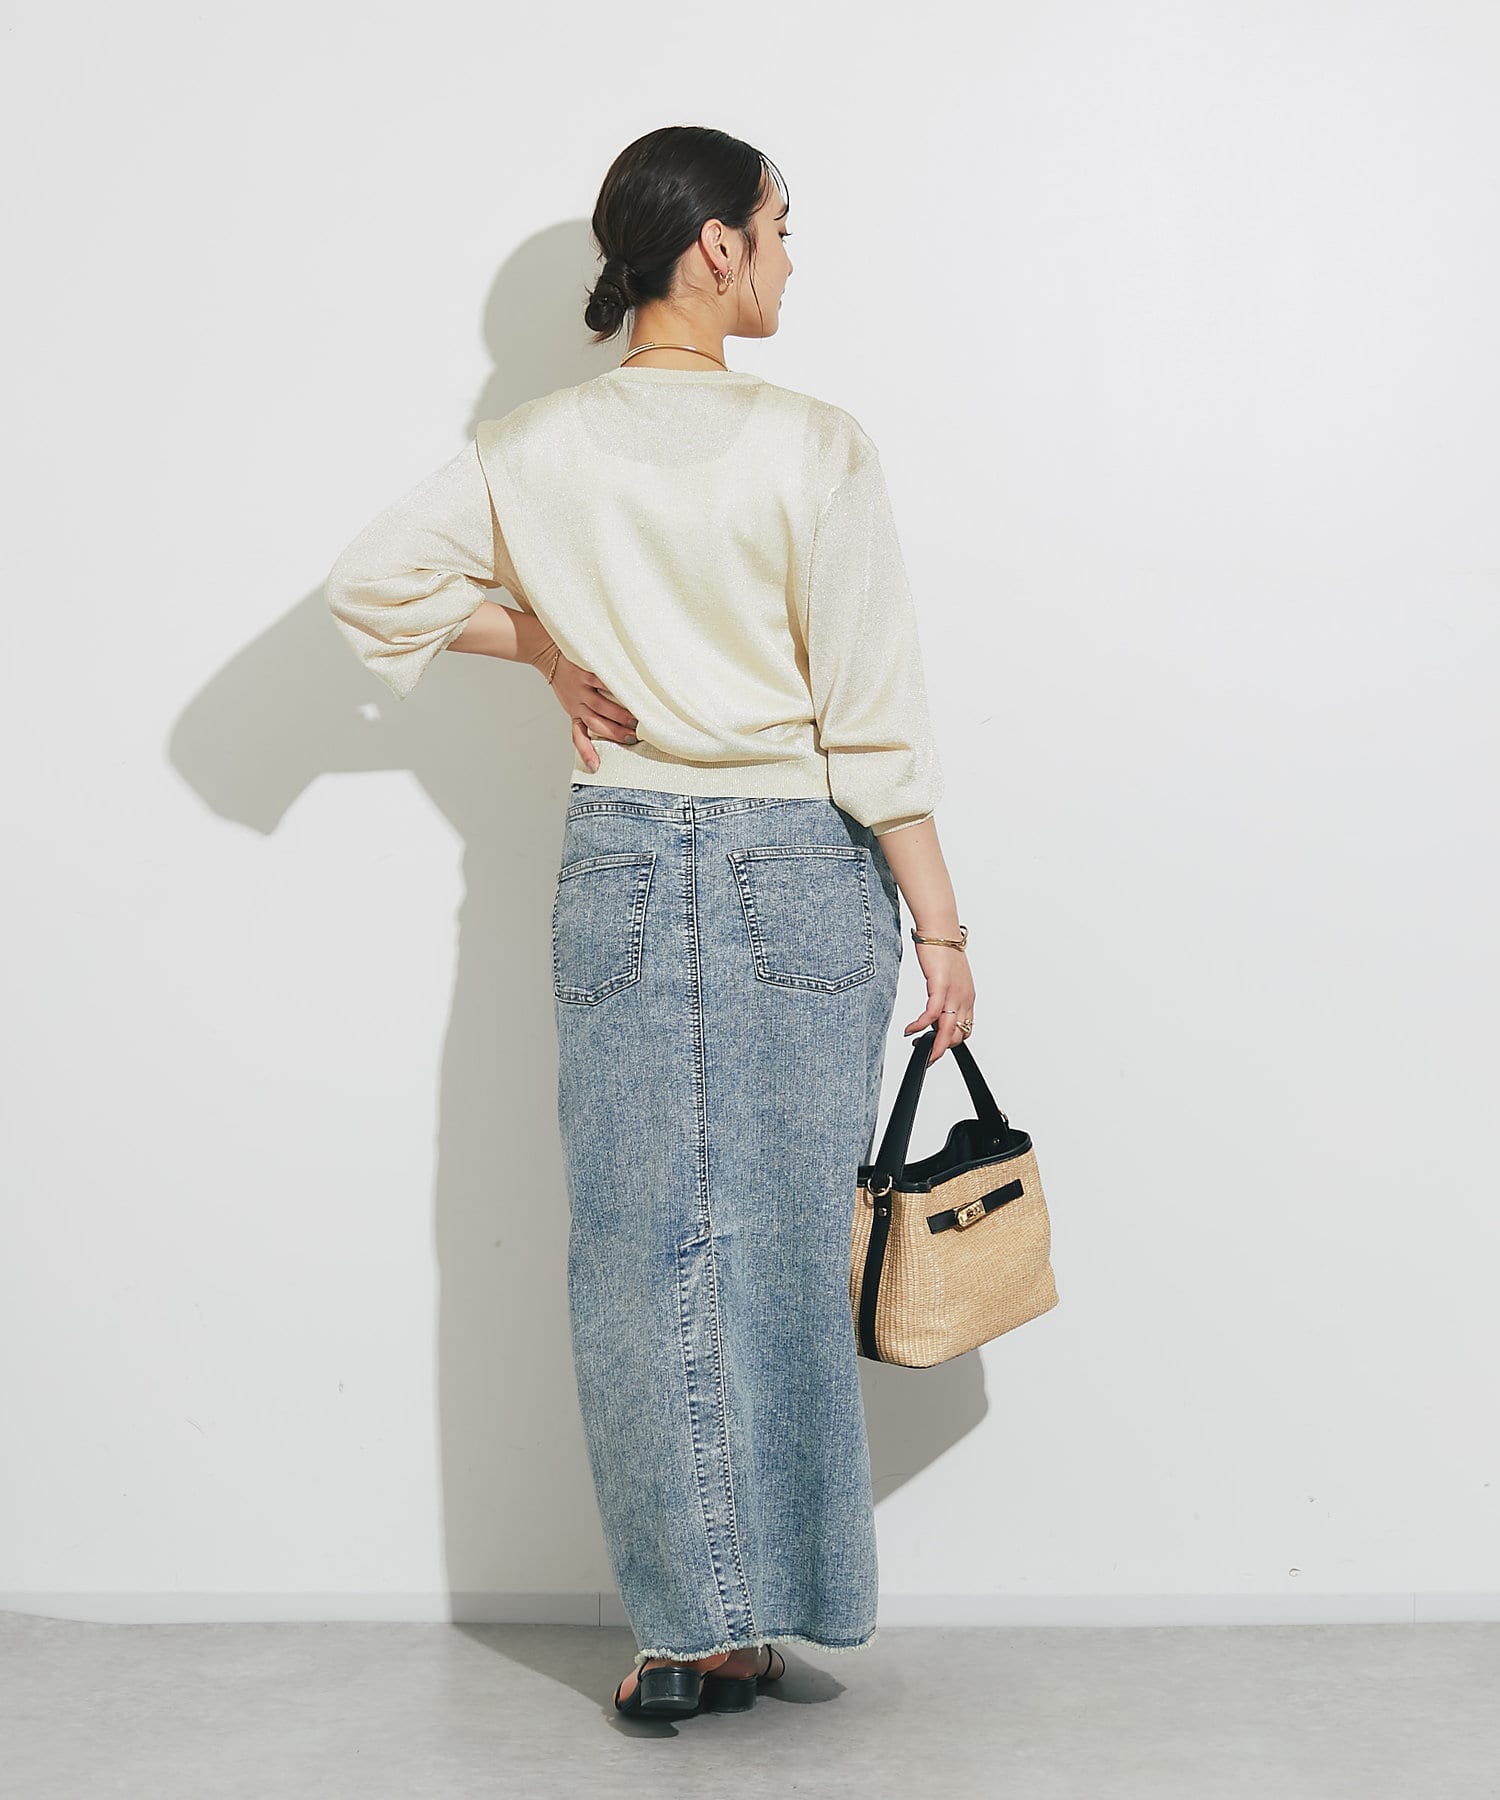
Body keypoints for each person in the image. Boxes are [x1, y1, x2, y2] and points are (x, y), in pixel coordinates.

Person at [323, 124, 976, 1721]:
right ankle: (771, 1611)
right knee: (785, 1251)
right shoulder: (816, 445)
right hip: (799, 867)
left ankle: (687, 1632)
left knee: (637, 1253)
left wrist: (545, 643)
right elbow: (871, 715)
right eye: (780, 227)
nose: (790, 259)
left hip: (620, 860)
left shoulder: (532, 446)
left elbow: (373, 586)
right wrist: (943, 927)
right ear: (716, 248)